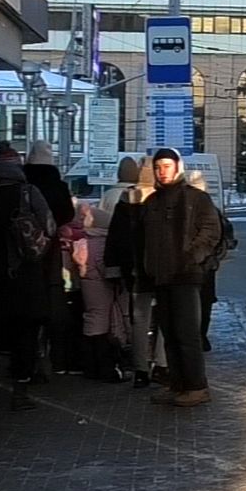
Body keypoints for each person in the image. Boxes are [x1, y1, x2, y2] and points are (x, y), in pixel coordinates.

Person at [0, 152, 55, 411]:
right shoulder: (28, 193)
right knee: (24, 332)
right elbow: (49, 227)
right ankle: (20, 392)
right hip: (24, 274)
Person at [137, 147, 222, 407]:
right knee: (169, 334)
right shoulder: (152, 202)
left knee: (187, 333)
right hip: (161, 277)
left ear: (178, 167)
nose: (162, 171)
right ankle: (177, 384)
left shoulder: (195, 198)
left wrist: (191, 256)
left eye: (167, 166)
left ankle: (196, 386)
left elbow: (211, 231)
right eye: (158, 167)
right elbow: (142, 239)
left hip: (185, 276)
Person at [24, 141, 81, 376]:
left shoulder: (23, 184)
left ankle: (29, 352)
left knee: (26, 296)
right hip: (50, 247)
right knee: (51, 293)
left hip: (23, 248)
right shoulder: (57, 185)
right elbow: (68, 213)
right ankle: (53, 354)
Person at [101, 156, 157, 389]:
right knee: (163, 317)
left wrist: (114, 267)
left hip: (133, 267)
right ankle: (162, 364)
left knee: (139, 319)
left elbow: (116, 236)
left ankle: (140, 369)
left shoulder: (126, 198)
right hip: (161, 267)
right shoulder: (163, 197)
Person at [73, 202, 129, 382]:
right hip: (102, 290)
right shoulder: (101, 243)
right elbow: (105, 268)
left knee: (91, 324)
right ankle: (105, 368)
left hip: (88, 288)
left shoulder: (84, 242)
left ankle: (90, 366)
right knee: (101, 327)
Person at [184, 170, 236, 353]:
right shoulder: (212, 210)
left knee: (191, 303)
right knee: (204, 303)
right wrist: (215, 257)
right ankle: (200, 336)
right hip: (206, 266)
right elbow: (225, 238)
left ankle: (194, 336)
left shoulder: (183, 209)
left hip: (192, 265)